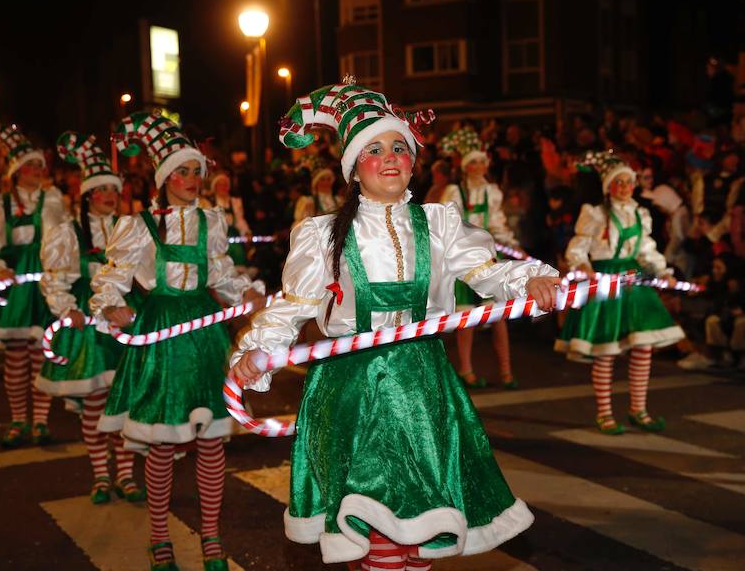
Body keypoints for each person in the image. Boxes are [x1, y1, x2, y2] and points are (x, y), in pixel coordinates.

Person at [233, 81, 559, 570]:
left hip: (423, 388)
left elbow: (487, 272)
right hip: (352, 391)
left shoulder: (439, 222)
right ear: (352, 167)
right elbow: (292, 308)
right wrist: (256, 354)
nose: (390, 157)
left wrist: (531, 280)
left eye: (399, 147)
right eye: (374, 149)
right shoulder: (323, 234)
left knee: (417, 531)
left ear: (413, 160)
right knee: (380, 536)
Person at [91, 112, 264, 570]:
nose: (191, 179)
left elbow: (222, 273)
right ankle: (159, 536)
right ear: (163, 177)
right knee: (163, 441)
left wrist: (244, 293)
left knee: (211, 441)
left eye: (196, 171)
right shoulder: (138, 225)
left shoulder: (211, 221)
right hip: (161, 332)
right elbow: (112, 276)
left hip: (204, 332)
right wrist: (111, 305)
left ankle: (210, 535)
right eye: (181, 172)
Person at [37, 132, 143, 505]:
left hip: (124, 318)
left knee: (123, 400)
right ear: (87, 195)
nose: (109, 197)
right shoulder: (68, 232)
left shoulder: (131, 228)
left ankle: (127, 475)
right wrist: (67, 308)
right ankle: (101, 475)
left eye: (113, 190)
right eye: (101, 191)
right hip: (90, 323)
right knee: (97, 401)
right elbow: (54, 277)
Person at [556, 153, 685, 434]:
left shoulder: (639, 213)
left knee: (643, 347)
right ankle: (605, 413)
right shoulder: (596, 213)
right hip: (606, 283)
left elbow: (645, 249)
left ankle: (639, 409)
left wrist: (663, 271)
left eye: (629, 181)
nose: (625, 186)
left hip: (632, 282)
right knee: (606, 349)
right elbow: (578, 246)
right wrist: (584, 267)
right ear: (608, 186)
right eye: (619, 182)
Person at [0, 124, 65, 447]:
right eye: (31, 165)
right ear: (16, 171)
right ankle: (17, 420)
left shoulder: (53, 200)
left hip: (45, 287)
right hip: (17, 289)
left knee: (42, 353)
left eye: (41, 165)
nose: (38, 170)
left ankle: (40, 420)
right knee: (15, 357)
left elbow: (63, 240)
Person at [439, 128, 527, 388]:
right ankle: (466, 370)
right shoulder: (455, 191)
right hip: (465, 259)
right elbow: (447, 224)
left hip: (489, 258)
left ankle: (506, 371)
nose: (478, 166)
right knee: (467, 318)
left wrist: (513, 245)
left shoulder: (491, 191)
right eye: (473, 162)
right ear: (465, 167)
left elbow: (498, 224)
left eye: (481, 162)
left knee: (498, 315)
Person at [208, 172, 252, 268]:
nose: (223, 187)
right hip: (216, 240)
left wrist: (246, 232)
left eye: (225, 185)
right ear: (215, 187)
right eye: (220, 185)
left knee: (238, 257)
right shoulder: (209, 203)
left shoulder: (235, 202)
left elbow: (240, 220)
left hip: (233, 239)